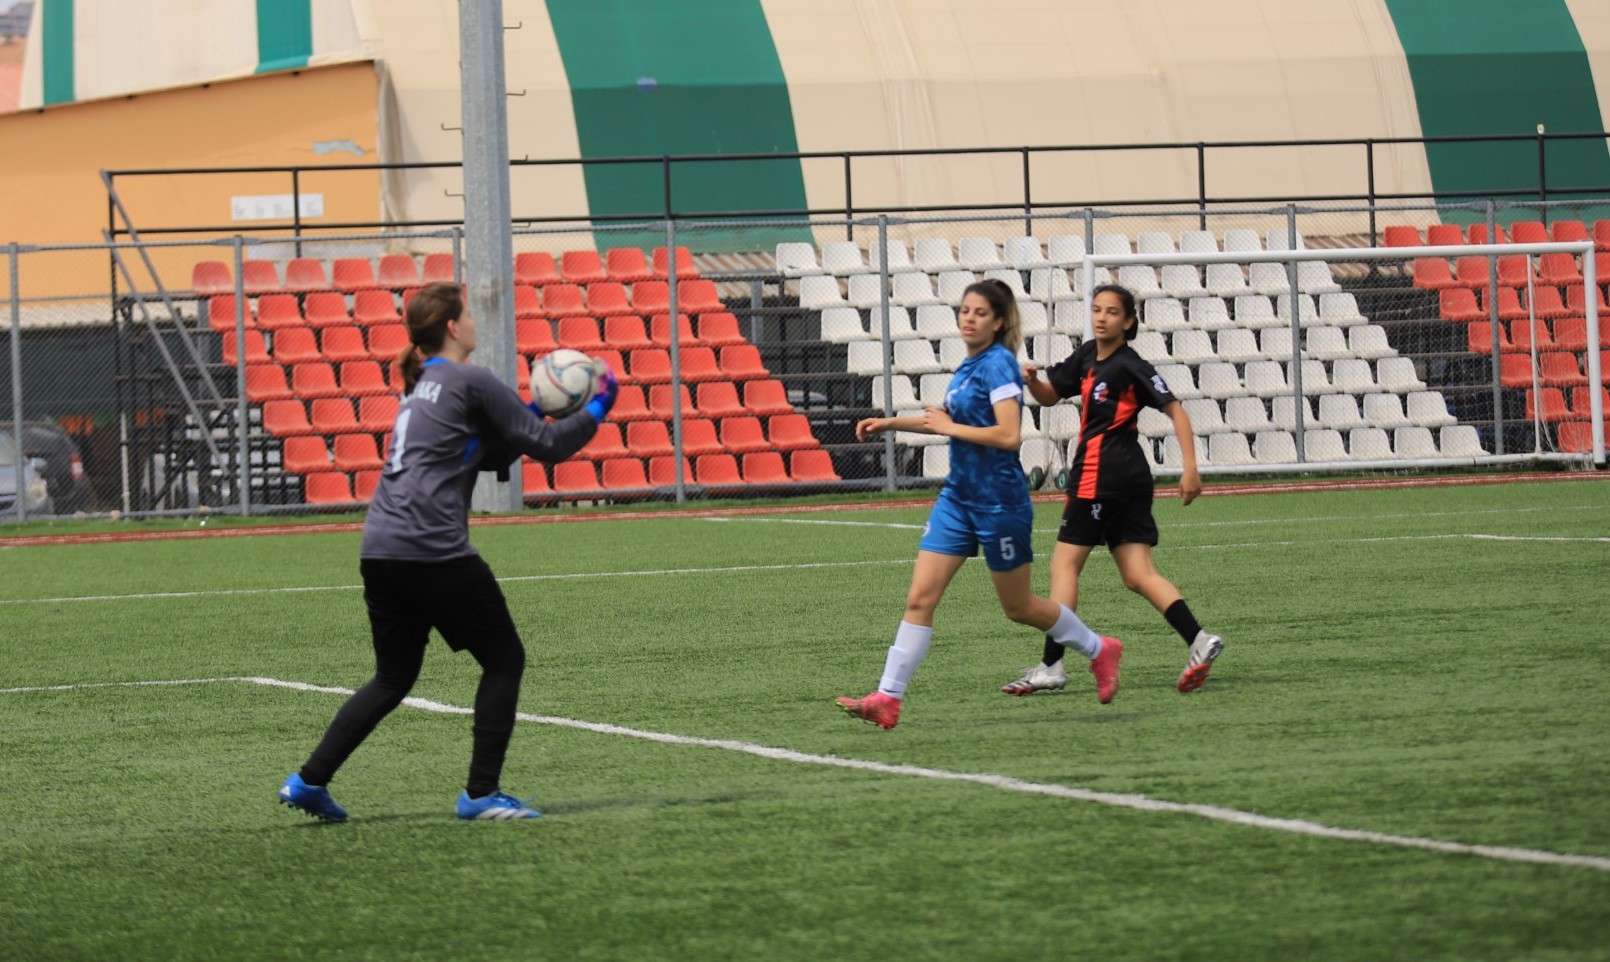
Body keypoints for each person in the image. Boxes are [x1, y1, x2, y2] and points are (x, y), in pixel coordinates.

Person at [278, 281, 617, 822]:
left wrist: (526, 413)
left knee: (393, 678)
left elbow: (481, 451)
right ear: (454, 327)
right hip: (432, 547)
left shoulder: (422, 387)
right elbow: (548, 446)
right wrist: (599, 404)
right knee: (505, 659)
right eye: (469, 315)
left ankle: (308, 781)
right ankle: (481, 794)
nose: (476, 322)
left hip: (381, 547)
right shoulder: (470, 379)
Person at [836, 279, 1124, 730]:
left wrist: (949, 428)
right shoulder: (968, 367)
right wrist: (891, 422)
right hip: (958, 498)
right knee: (920, 597)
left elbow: (1008, 436)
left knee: (1020, 608)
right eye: (964, 310)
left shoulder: (999, 367)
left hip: (999, 503)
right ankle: (887, 698)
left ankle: (1099, 648)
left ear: (999, 321)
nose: (968, 318)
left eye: (979, 312)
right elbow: (950, 422)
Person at [1001, 283, 1223, 698]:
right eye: (1096, 309)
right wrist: (1032, 382)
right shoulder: (1087, 354)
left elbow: (1174, 408)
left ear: (1129, 321)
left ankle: (1051, 665)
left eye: (1111, 312)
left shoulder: (1130, 365)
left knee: (1064, 567)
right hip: (1128, 480)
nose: (1101, 317)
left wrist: (1191, 469)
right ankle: (1199, 639)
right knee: (1139, 575)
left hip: (1100, 478)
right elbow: (1051, 397)